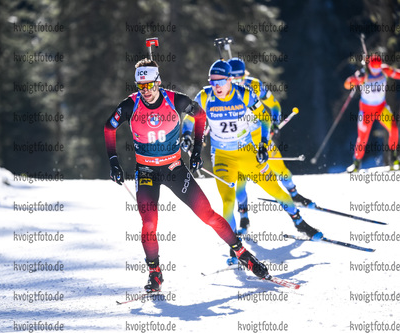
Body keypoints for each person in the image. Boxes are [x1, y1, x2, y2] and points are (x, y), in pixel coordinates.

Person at [104, 58, 269, 292]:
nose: (146, 91)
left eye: (150, 85)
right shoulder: (130, 105)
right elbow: (109, 127)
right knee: (149, 224)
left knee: (208, 215)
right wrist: (113, 162)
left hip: (174, 170)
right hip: (146, 172)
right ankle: (155, 273)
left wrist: (196, 150)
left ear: (158, 82)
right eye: (141, 87)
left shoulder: (175, 100)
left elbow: (200, 116)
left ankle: (243, 254)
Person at [181, 60, 322, 262]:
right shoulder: (205, 96)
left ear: (230, 79)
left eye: (220, 81)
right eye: (212, 82)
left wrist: (263, 144)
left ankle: (299, 222)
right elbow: (189, 118)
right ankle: (234, 246)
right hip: (222, 157)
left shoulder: (243, 94)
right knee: (228, 201)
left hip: (248, 152)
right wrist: (187, 135)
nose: (217, 86)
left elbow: (264, 117)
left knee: (274, 189)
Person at [227, 57, 315, 234]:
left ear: (245, 76)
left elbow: (274, 105)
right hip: (241, 144)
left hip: (261, 139)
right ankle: (244, 218)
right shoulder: (223, 94)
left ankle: (294, 195)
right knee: (240, 183)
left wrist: (274, 123)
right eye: (234, 79)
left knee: (281, 170)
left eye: (241, 78)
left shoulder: (255, 86)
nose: (238, 82)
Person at [344, 54, 400, 172]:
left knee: (394, 129)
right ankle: (356, 163)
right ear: (369, 66)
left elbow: (397, 74)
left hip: (381, 108)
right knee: (363, 138)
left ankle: (394, 159)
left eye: (378, 68)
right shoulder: (364, 74)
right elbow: (347, 84)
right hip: (366, 111)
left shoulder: (384, 69)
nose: (376, 71)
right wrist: (356, 78)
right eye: (374, 68)